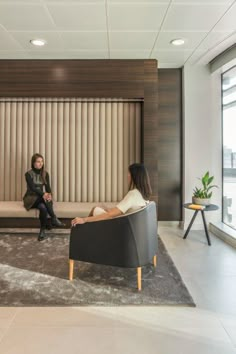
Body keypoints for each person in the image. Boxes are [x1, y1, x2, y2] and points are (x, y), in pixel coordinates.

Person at [71, 163, 152, 226]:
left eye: (129, 173)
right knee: (102, 208)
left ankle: (85, 232)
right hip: (126, 223)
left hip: (118, 226)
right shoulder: (143, 195)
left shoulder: (133, 194)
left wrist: (84, 219)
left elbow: (109, 215)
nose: (127, 176)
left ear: (134, 176)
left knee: (95, 209)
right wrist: (108, 209)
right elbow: (120, 210)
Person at [23, 153, 64, 241]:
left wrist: (49, 195)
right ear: (33, 163)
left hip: (41, 199)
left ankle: (42, 230)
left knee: (43, 208)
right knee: (45, 198)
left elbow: (48, 188)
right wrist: (44, 194)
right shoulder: (28, 174)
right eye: (38, 161)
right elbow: (33, 188)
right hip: (30, 199)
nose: (40, 163)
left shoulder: (45, 174)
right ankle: (53, 218)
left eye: (42, 161)